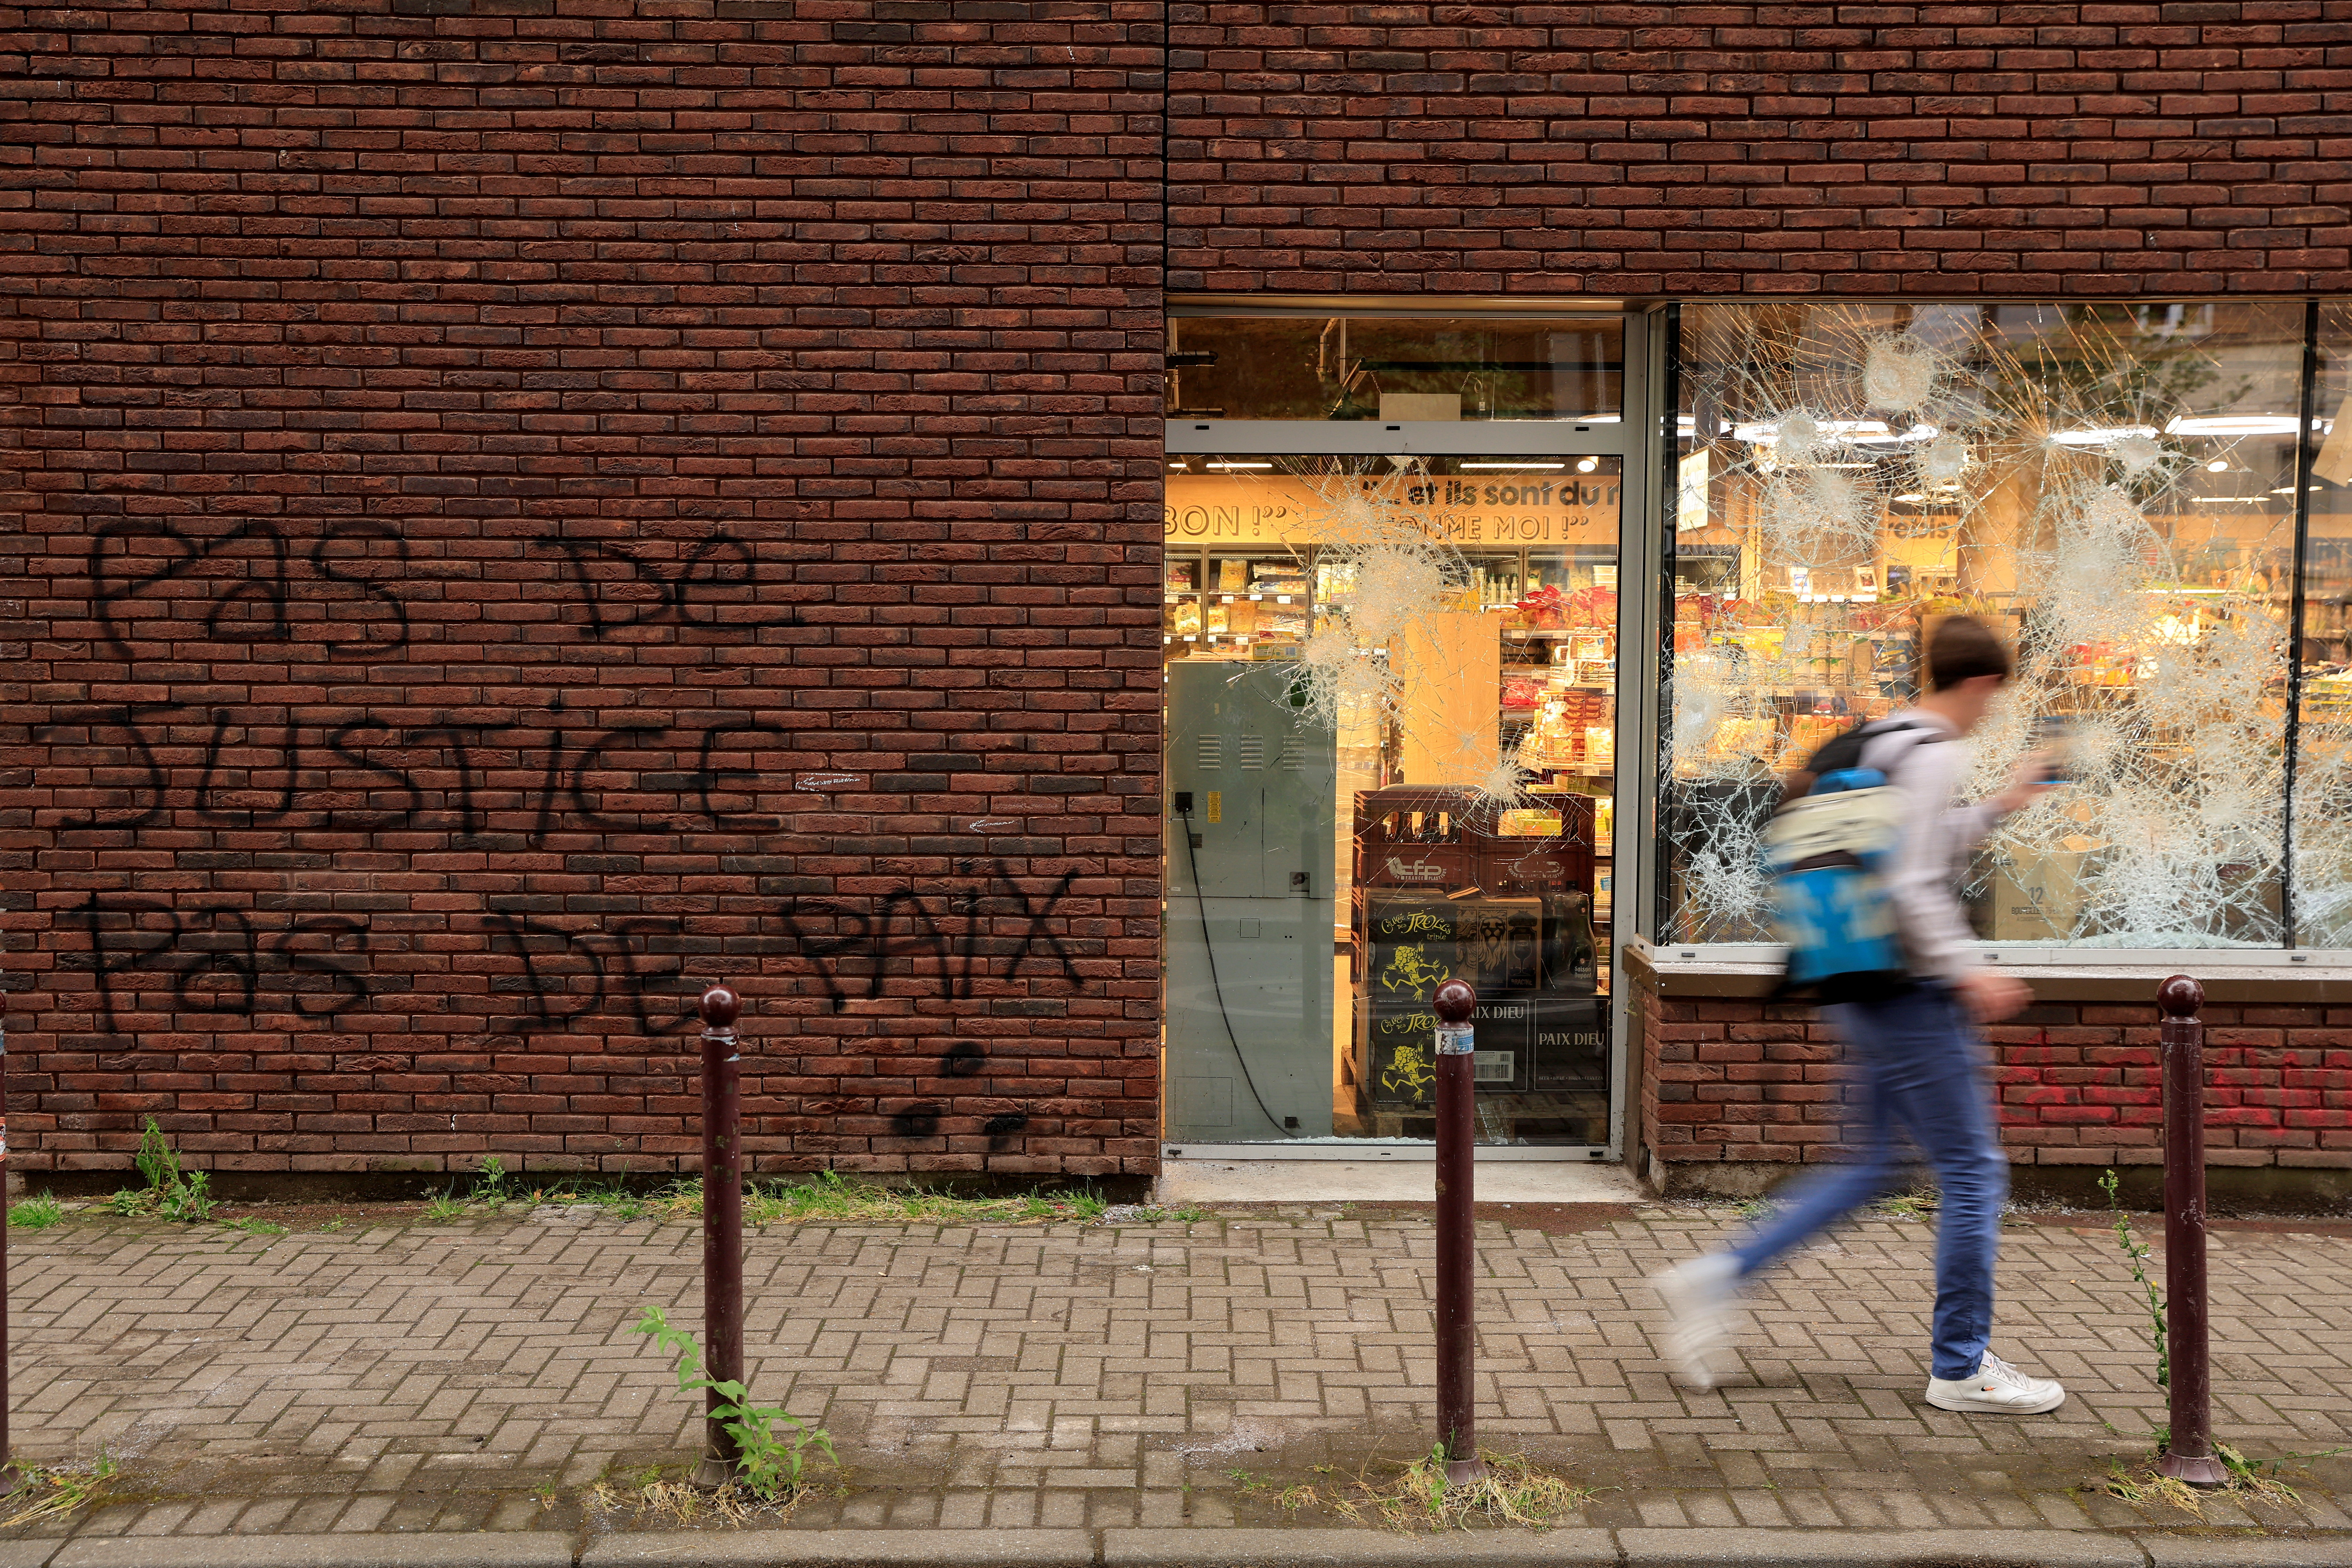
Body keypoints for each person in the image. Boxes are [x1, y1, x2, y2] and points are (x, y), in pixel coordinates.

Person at [1653, 615, 2067, 1414]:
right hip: (1907, 991)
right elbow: (1913, 882)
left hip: (1853, 979)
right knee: (1976, 1170)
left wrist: (2000, 805)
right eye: (1995, 693)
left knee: (1873, 1166)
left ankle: (1715, 1279)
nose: (1993, 709)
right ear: (1980, 683)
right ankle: (1961, 1365)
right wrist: (1970, 970)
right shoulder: (1938, 749)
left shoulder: (1889, 737)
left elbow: (1909, 841)